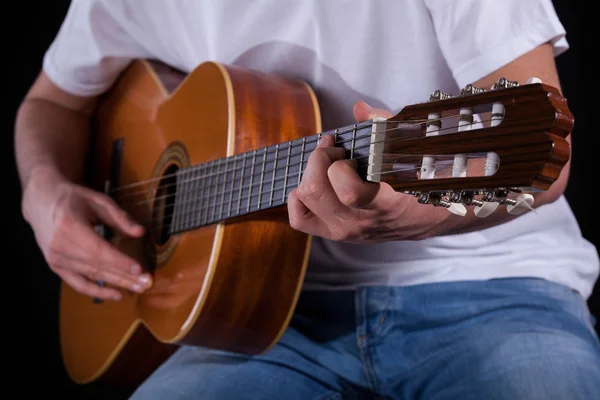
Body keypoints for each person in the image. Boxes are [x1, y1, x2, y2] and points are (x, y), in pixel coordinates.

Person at [15, 0, 600, 398]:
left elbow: (541, 155)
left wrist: (413, 212)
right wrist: (44, 194)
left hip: (496, 286)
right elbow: (52, 104)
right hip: (258, 316)